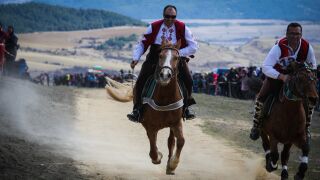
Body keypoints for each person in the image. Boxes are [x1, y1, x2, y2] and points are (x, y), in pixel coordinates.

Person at [127, 5, 198, 122]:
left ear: (176, 16)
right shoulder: (154, 26)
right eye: (167, 16)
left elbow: (194, 46)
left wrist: (177, 53)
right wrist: (136, 57)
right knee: (140, 81)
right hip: (155, 57)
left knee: (189, 80)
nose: (170, 19)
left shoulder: (183, 27)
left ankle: (186, 108)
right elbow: (142, 43)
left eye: (173, 17)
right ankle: (137, 110)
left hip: (176, 57)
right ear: (163, 15)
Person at [249, 22, 317, 141]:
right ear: (286, 34)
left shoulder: (307, 47)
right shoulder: (279, 47)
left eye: (297, 34)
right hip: (277, 77)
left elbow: (313, 66)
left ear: (301, 35)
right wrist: (281, 76)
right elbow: (265, 66)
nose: (295, 37)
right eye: (291, 34)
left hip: (298, 81)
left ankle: (306, 129)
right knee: (261, 97)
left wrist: (306, 74)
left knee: (311, 100)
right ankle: (256, 126)